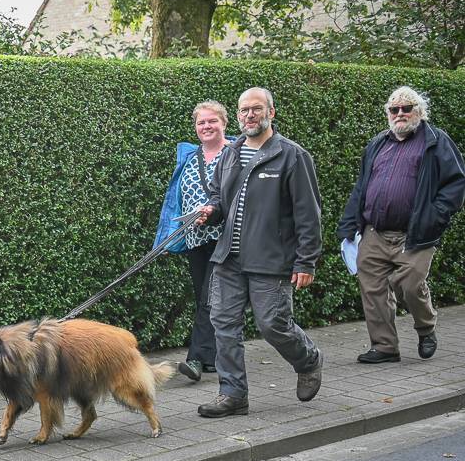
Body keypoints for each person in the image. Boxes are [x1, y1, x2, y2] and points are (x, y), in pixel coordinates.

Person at [193, 87, 324, 418]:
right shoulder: (230, 153)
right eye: (243, 111)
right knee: (223, 324)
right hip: (229, 259)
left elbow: (309, 213)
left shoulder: (292, 155)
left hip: (271, 259)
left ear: (271, 113)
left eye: (255, 109)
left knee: (273, 324)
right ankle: (232, 394)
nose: (249, 115)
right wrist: (210, 210)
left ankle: (308, 359)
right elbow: (219, 197)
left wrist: (306, 260)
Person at [337, 86, 465, 364]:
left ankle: (426, 327)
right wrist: (349, 225)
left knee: (410, 283)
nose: (400, 113)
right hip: (374, 231)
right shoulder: (377, 144)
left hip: (415, 233)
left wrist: (436, 216)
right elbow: (362, 187)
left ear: (419, 111)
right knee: (372, 288)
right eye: (394, 109)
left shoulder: (435, 141)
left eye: (406, 108)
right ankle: (384, 346)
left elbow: (456, 183)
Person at [154, 100, 232, 384]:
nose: (207, 126)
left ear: (224, 123)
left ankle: (196, 359)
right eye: (201, 122)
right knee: (206, 297)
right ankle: (213, 357)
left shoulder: (235, 155)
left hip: (226, 238)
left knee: (211, 296)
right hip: (195, 238)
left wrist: (212, 212)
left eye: (212, 121)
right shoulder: (189, 157)